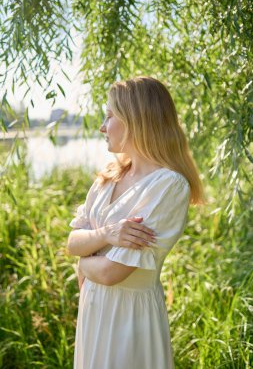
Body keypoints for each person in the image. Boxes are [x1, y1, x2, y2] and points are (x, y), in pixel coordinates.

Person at [67, 76, 204, 369]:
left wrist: (84, 262)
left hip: (130, 318)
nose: (103, 127)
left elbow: (110, 272)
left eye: (109, 116)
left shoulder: (168, 185)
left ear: (135, 118)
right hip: (93, 311)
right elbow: (72, 243)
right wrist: (109, 234)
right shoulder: (107, 178)